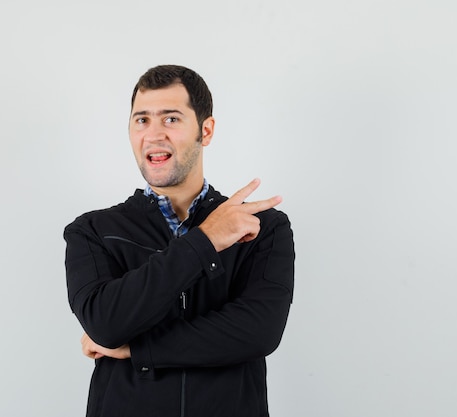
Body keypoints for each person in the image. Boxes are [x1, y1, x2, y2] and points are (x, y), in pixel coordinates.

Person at [64, 64, 295, 417]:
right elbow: (106, 324)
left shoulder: (263, 226)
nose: (154, 134)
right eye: (142, 120)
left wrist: (137, 348)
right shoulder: (93, 231)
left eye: (171, 119)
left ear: (206, 130)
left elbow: (258, 332)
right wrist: (205, 240)